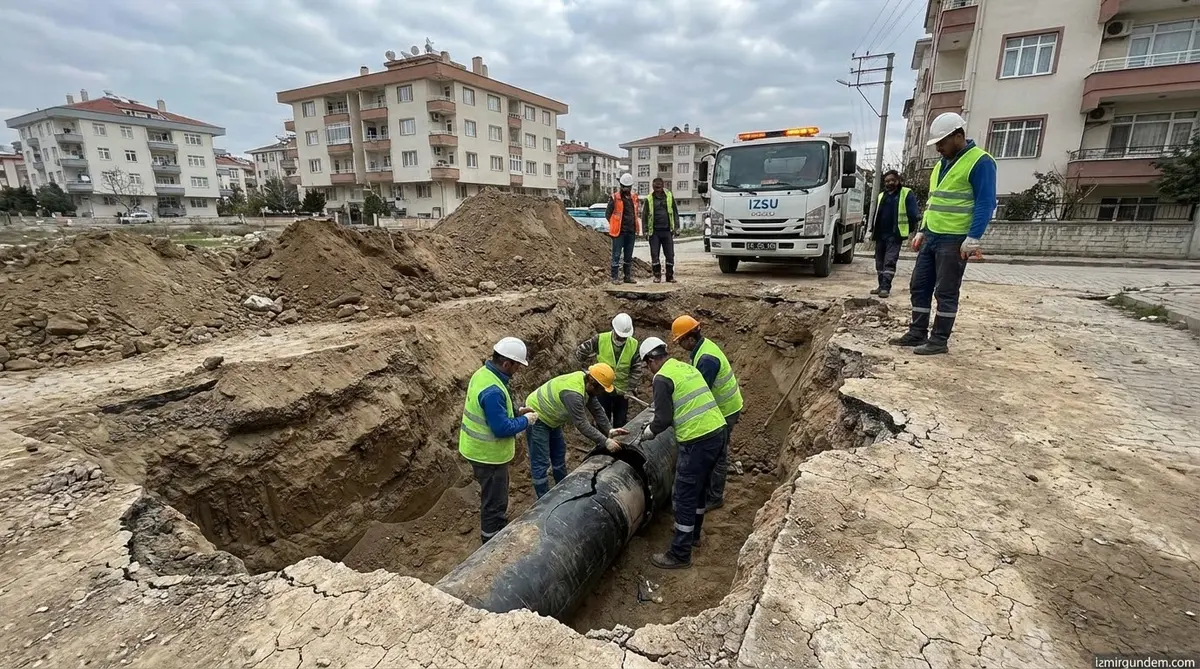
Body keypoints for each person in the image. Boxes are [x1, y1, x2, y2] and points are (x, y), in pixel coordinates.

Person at [890, 112, 996, 355]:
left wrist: (973, 237)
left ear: (958, 136)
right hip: (932, 236)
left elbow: (985, 202)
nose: (938, 148)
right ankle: (917, 333)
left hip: (954, 239)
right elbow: (933, 201)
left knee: (946, 291)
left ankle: (939, 340)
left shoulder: (980, 162)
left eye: (942, 142)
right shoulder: (941, 165)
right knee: (920, 285)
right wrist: (923, 230)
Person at [633, 336, 727, 570]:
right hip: (717, 432)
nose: (648, 369)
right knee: (700, 487)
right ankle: (693, 536)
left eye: (647, 364)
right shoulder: (684, 367)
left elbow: (663, 419)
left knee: (684, 494)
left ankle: (680, 554)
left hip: (697, 440)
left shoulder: (662, 378)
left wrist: (648, 432)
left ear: (652, 360)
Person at [458, 337, 537, 544]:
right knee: (494, 502)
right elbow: (501, 428)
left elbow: (492, 412)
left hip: (477, 450)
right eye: (517, 365)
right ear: (506, 363)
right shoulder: (493, 390)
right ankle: (492, 542)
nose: (518, 369)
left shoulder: (484, 374)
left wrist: (517, 411)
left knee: (493, 497)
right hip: (487, 456)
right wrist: (525, 421)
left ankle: (494, 530)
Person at [670, 315, 742, 512]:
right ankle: (710, 486)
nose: (680, 345)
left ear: (689, 338)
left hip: (725, 410)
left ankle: (715, 496)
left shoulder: (706, 359)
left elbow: (699, 393)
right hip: (722, 407)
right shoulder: (700, 349)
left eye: (680, 341)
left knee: (718, 454)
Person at [524, 363, 628, 497]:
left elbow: (597, 410)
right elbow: (582, 424)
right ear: (592, 383)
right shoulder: (573, 394)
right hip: (537, 417)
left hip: (553, 419)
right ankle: (543, 499)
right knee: (541, 461)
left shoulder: (586, 385)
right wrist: (605, 442)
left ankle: (563, 488)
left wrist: (609, 430)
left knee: (559, 453)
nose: (601, 393)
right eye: (601, 389)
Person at [574, 313, 642, 428]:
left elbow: (636, 368)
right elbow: (581, 352)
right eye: (619, 336)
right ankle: (602, 442)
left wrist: (630, 388)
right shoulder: (600, 339)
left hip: (622, 391)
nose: (621, 339)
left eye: (624, 337)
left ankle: (618, 442)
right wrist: (584, 364)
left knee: (620, 422)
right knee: (602, 418)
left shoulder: (633, 345)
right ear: (614, 329)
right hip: (601, 387)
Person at [871, 170, 921, 299]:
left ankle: (886, 287)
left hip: (895, 234)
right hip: (880, 233)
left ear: (898, 181)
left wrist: (911, 229)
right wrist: (871, 229)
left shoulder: (906, 193)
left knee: (889, 261)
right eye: (887, 181)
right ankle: (881, 284)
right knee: (879, 262)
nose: (889, 183)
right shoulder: (882, 195)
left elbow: (913, 214)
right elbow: (876, 214)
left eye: (892, 180)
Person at [605, 173, 641, 285]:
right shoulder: (615, 197)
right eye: (624, 186)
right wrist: (615, 224)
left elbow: (635, 213)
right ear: (621, 185)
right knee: (616, 255)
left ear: (630, 187)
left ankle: (627, 277)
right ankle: (614, 277)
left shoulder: (634, 198)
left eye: (628, 187)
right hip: (618, 232)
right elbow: (608, 214)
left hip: (630, 231)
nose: (626, 189)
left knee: (628, 256)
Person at [642, 177, 679, 283]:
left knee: (670, 254)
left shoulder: (669, 196)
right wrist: (645, 230)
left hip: (667, 231)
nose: (657, 189)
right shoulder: (649, 199)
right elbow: (644, 215)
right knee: (654, 254)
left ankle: (669, 276)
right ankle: (657, 275)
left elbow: (675, 213)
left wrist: (676, 227)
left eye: (658, 186)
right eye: (655, 187)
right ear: (652, 187)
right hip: (654, 232)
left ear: (663, 186)